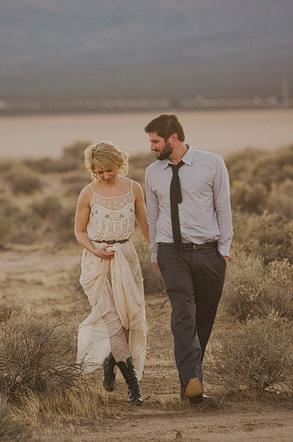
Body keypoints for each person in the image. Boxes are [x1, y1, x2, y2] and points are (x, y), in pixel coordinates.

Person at [143, 114, 232, 404]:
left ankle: (189, 383)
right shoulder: (152, 172)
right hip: (171, 251)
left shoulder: (212, 163)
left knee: (203, 319)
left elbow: (223, 207)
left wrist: (224, 251)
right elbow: (153, 217)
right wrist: (155, 252)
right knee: (183, 313)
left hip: (209, 253)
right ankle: (193, 381)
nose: (152, 148)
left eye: (155, 141)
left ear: (173, 138)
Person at [75, 141, 150, 405]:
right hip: (97, 265)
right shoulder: (88, 193)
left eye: (110, 170)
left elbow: (146, 227)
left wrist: (157, 254)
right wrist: (95, 251)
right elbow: (79, 232)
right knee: (114, 325)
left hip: (126, 260)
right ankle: (134, 388)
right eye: (99, 172)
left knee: (129, 322)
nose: (105, 176)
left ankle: (110, 361)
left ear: (119, 164)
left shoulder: (134, 188)